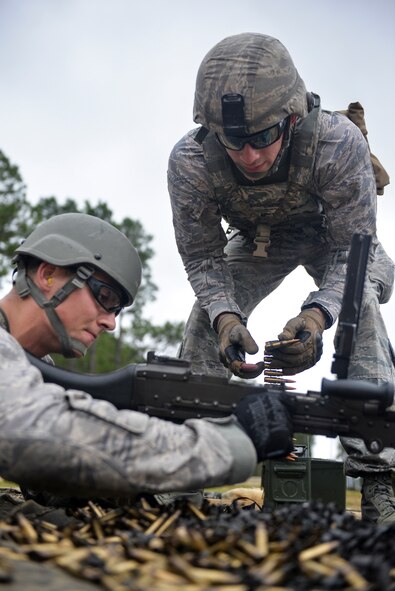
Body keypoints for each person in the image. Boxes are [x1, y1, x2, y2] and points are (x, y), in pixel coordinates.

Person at [167, 32, 395, 524]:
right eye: (234, 141)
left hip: (335, 240)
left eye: (263, 138)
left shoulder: (338, 144)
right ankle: (183, 474)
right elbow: (203, 258)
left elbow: (353, 259)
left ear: (291, 120)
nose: (249, 156)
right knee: (202, 323)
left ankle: (380, 481)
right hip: (258, 237)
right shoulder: (190, 162)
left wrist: (317, 316)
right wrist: (226, 319)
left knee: (364, 312)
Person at [0, 212, 293, 502]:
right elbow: (46, 437)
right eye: (105, 298)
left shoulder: (30, 369)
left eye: (117, 310)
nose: (110, 323)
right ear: (48, 274)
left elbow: (54, 484)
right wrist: (228, 444)